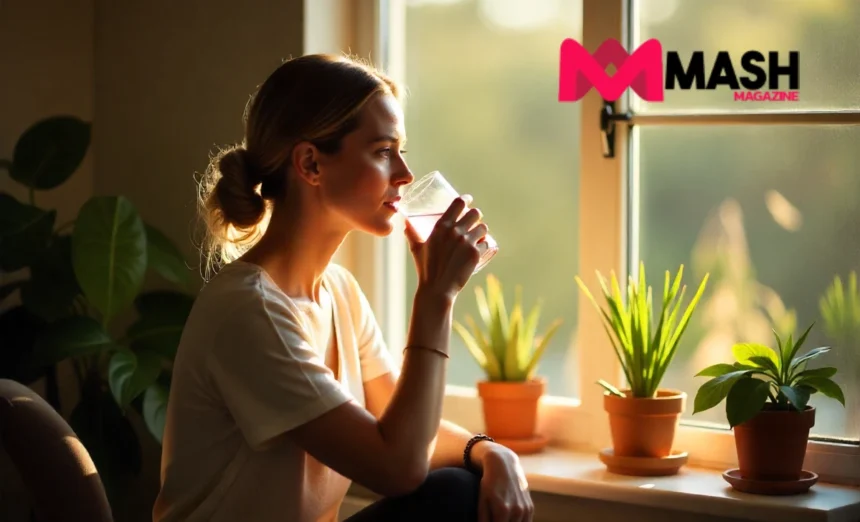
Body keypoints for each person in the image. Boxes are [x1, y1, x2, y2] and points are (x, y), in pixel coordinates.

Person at [151, 54, 534, 522]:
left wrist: (491, 452)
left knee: (463, 484)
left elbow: (409, 428)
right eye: (382, 151)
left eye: (401, 151)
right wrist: (436, 297)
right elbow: (398, 468)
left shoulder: (339, 292)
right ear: (311, 164)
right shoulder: (249, 310)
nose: (405, 175)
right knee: (453, 495)